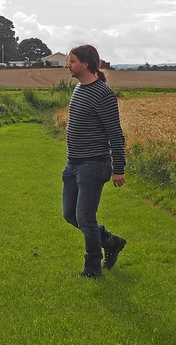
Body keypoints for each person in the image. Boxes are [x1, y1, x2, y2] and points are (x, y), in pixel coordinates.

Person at [62, 44, 127, 278]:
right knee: (70, 214)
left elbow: (115, 134)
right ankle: (110, 241)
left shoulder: (103, 94)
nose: (67, 65)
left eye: (72, 61)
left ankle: (92, 268)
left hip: (93, 165)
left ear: (85, 64)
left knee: (85, 218)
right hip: (73, 164)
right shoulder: (79, 89)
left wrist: (119, 168)